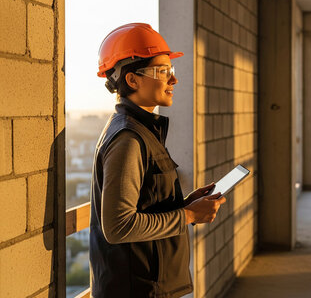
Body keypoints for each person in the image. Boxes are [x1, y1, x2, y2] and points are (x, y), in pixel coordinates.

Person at [89, 23, 225, 297]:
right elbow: (118, 226)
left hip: (150, 286)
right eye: (163, 72)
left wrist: (183, 205)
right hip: (137, 289)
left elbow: (143, 204)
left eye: (170, 71)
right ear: (132, 80)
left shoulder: (142, 131)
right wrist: (187, 215)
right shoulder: (127, 138)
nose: (173, 80)